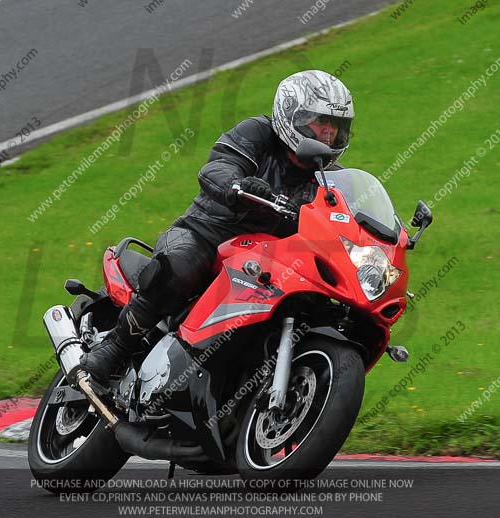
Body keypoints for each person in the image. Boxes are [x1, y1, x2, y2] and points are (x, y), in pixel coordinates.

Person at [81, 70, 354, 387]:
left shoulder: (330, 177)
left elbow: (345, 219)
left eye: (335, 127)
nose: (328, 133)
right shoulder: (259, 134)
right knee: (180, 267)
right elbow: (218, 166)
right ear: (291, 114)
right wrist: (238, 186)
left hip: (270, 259)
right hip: (209, 233)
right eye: (320, 122)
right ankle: (114, 348)